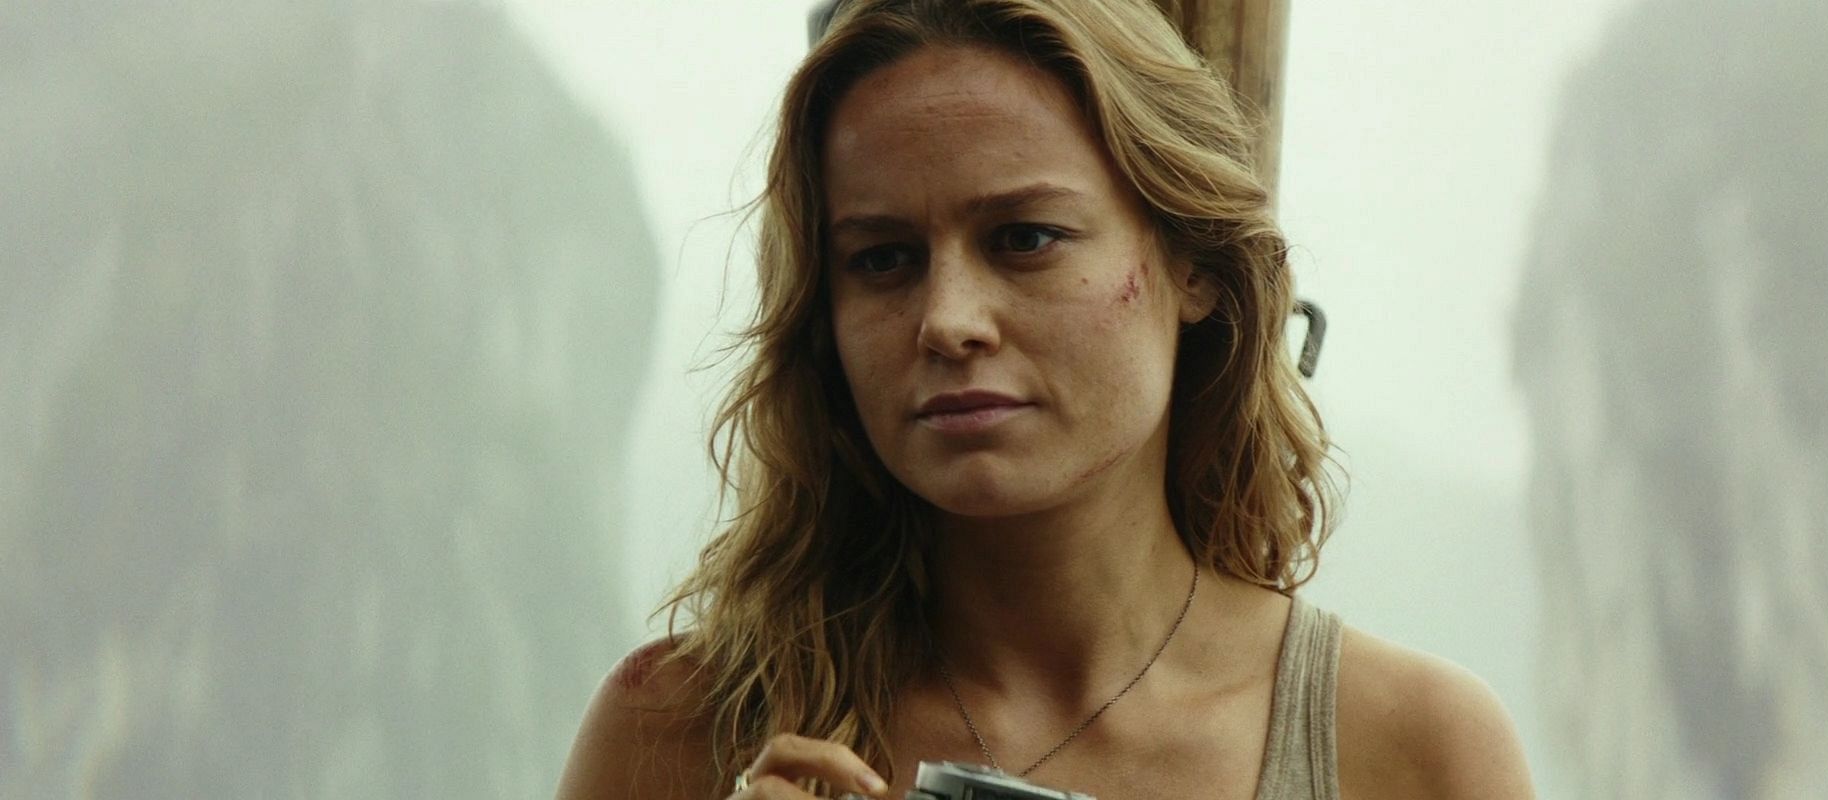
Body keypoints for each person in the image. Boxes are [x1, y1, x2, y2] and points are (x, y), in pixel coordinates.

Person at [557, 0, 1534, 797]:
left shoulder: (1414, 749)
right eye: (884, 258)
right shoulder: (675, 733)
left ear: (1191, 264)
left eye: (1024, 238)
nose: (948, 320)